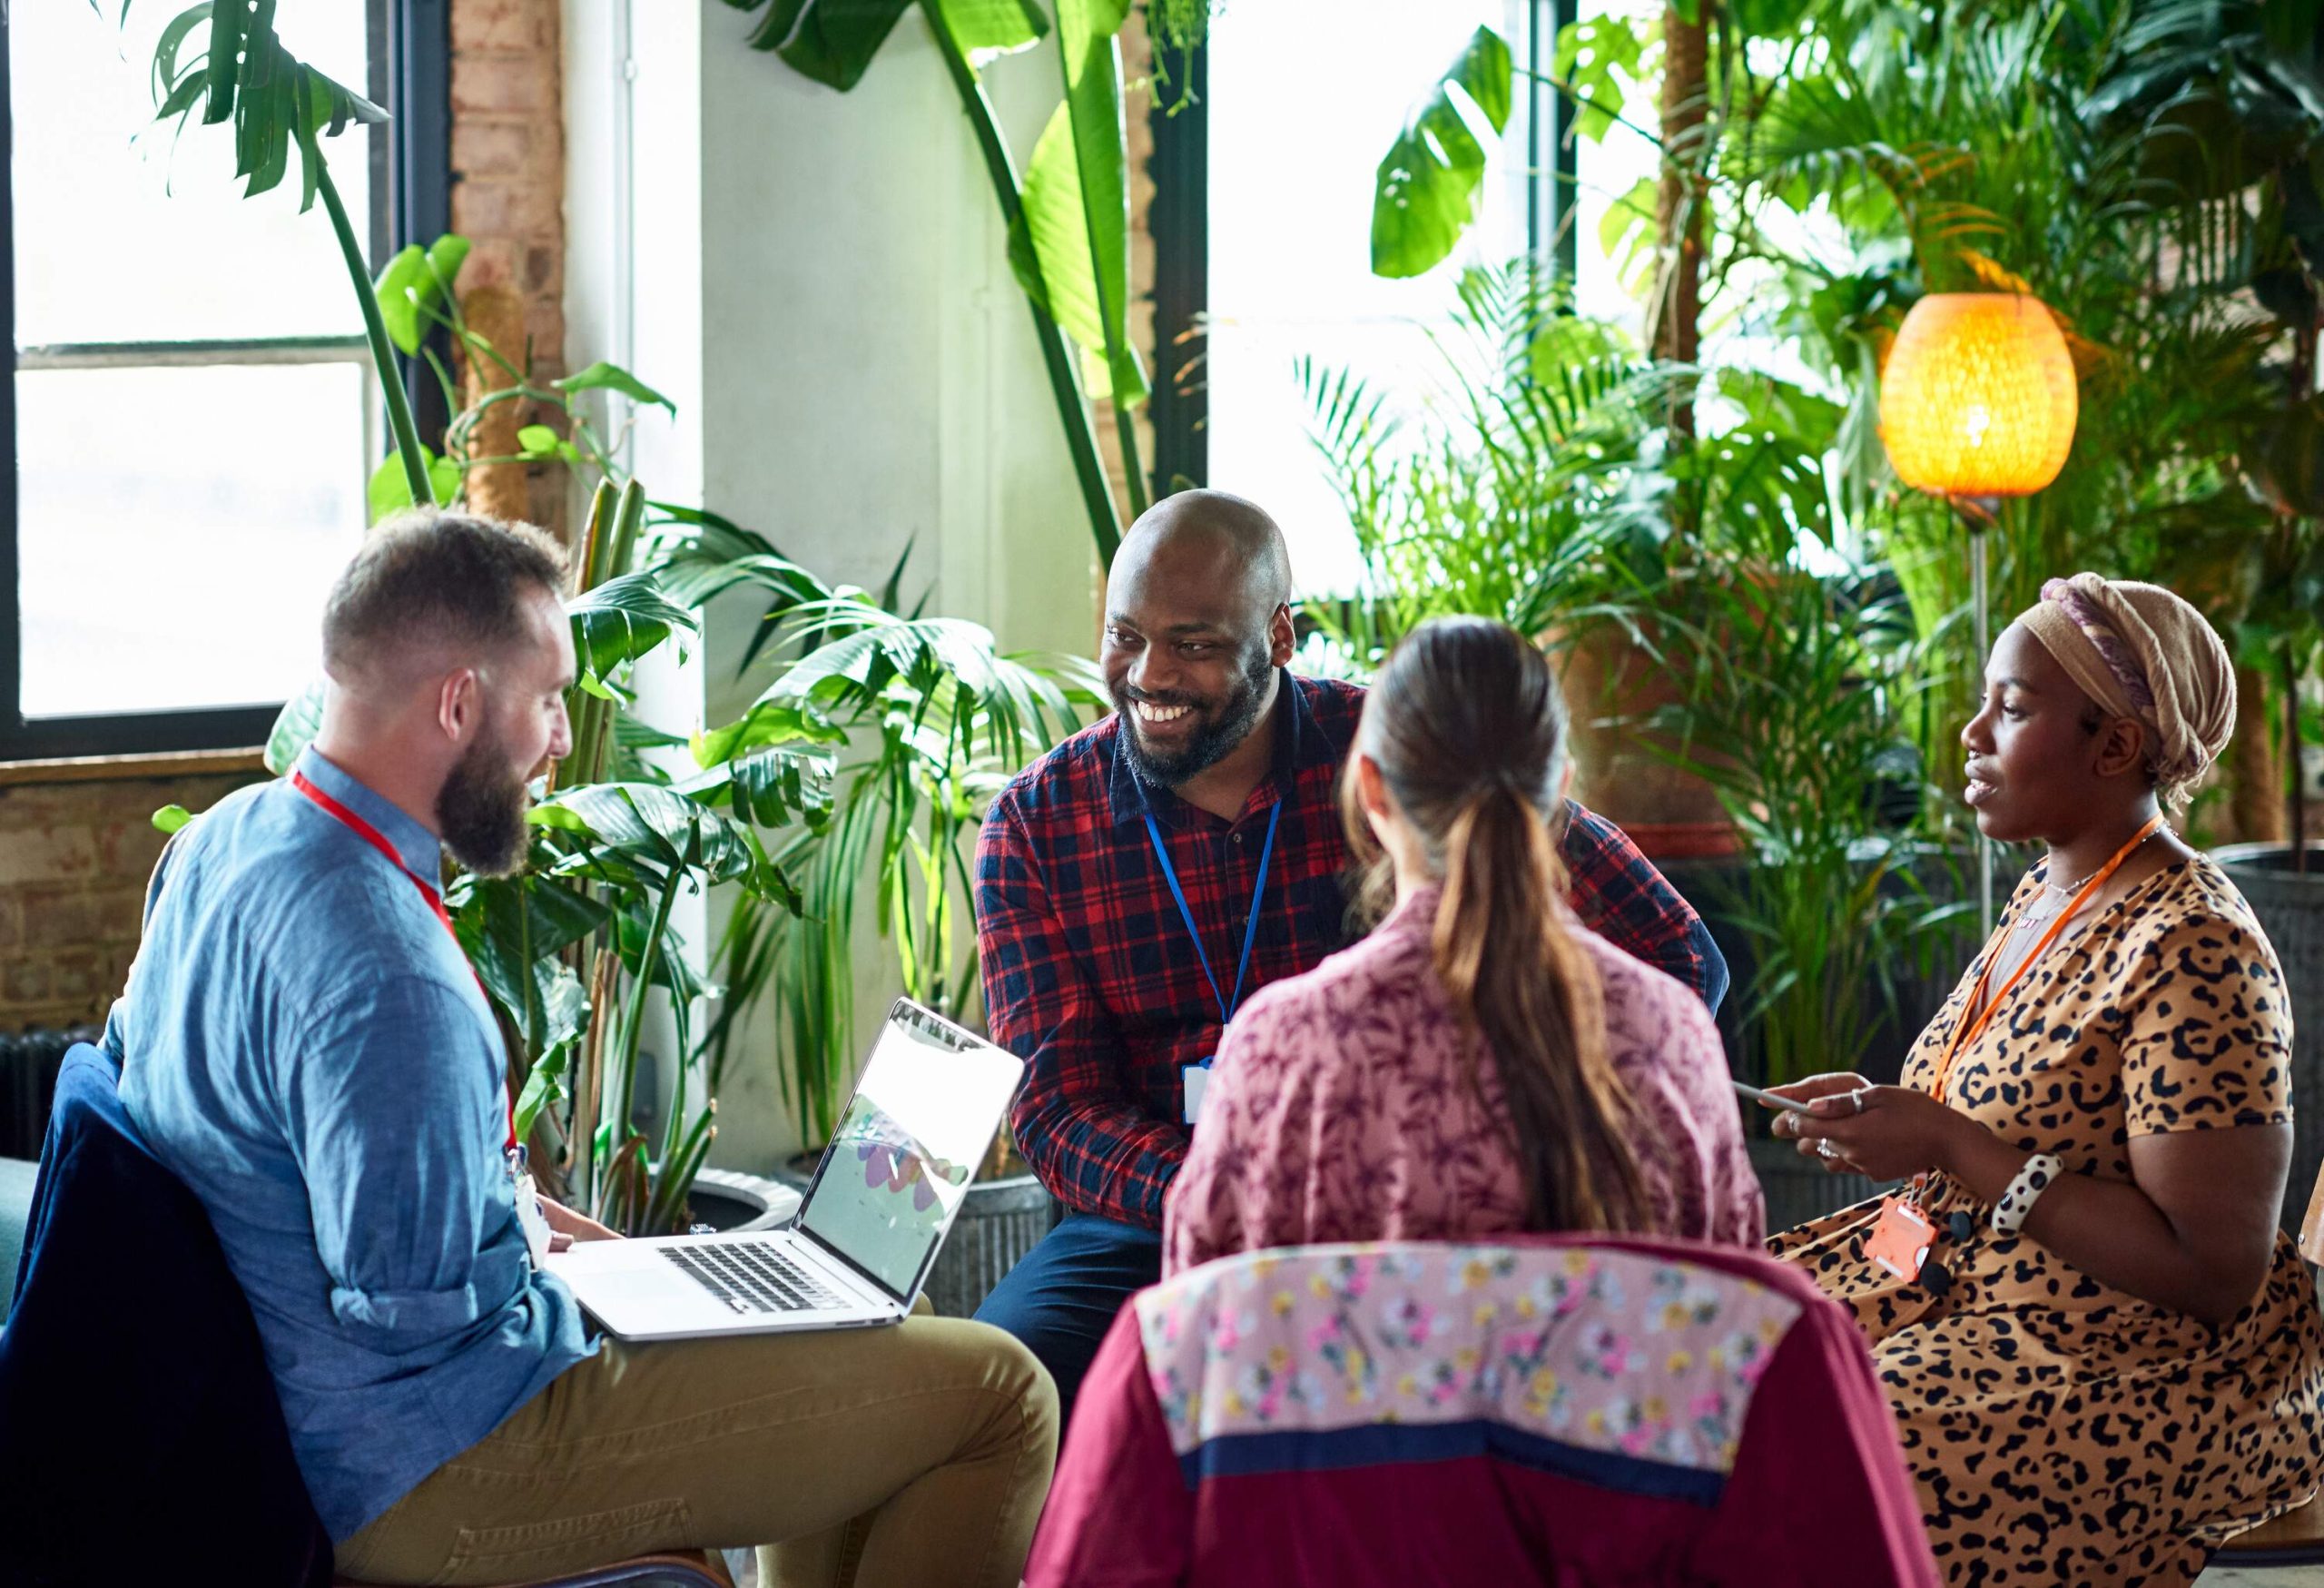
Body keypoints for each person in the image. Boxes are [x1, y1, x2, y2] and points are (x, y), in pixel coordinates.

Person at [107, 511, 1056, 1587]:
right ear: (459, 702)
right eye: (547, 699)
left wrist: (631, 1262)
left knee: (880, 1322)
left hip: (347, 1409)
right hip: (437, 1465)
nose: (561, 738)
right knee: (1000, 1396)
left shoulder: (228, 839)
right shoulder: (386, 974)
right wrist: (614, 1292)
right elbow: (413, 1313)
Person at [973, 488, 1728, 1416]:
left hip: (1413, 1199)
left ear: (1280, 638)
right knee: (997, 1387)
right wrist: (1251, 1196)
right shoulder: (1036, 823)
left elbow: (1678, 963)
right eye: (1125, 636)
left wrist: (1488, 1143)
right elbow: (1056, 1112)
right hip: (1151, 1220)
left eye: (1195, 645)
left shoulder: (1396, 758)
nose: (1149, 675)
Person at [1764, 574, 2324, 1586]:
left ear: (2113, 747)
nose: (1969, 733)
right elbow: (2002, 1111)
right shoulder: (2050, 890)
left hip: (2122, 1361)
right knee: (1705, 1358)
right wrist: (1890, 1117)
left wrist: (1945, 1144)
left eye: (2010, 708)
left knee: (1817, 1454)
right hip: (1943, 1288)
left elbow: (2212, 1271)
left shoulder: (2195, 946)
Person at [1163, 616, 1761, 1277]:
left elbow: (1196, 1330)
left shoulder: (1281, 1049)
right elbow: (1739, 1313)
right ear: (1559, 788)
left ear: (1371, 790)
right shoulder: (1673, 1034)